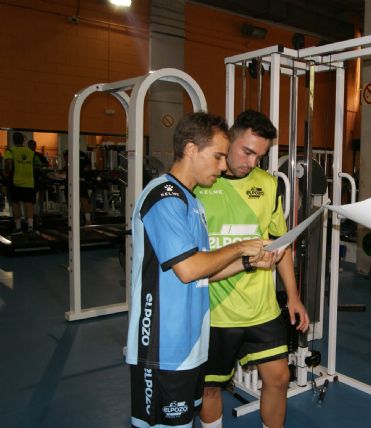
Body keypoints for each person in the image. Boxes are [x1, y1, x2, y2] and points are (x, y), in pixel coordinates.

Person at [125, 112, 278, 428]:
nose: (223, 166)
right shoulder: (163, 198)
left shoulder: (190, 202)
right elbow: (189, 269)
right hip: (162, 347)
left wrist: (248, 262)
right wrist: (239, 247)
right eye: (218, 156)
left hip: (190, 342)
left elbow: (205, 272)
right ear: (192, 149)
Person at [195, 110, 310, 428]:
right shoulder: (200, 185)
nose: (252, 162)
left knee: (279, 377)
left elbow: (280, 244)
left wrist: (294, 297)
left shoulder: (268, 185)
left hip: (261, 307)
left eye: (260, 156)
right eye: (247, 151)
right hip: (216, 311)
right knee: (209, 386)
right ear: (229, 139)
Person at [3, 132, 42, 236]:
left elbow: (8, 164)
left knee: (15, 204)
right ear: (23, 140)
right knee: (29, 204)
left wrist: (6, 172)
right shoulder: (31, 153)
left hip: (15, 182)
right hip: (29, 183)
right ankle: (30, 227)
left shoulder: (10, 151)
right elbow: (39, 166)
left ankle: (18, 227)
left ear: (13, 141)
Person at [63, 149, 93, 225]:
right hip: (75, 180)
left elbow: (88, 167)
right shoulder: (72, 153)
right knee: (77, 200)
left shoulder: (81, 154)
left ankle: (87, 221)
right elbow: (68, 164)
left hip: (78, 180)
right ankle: (82, 220)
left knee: (82, 200)